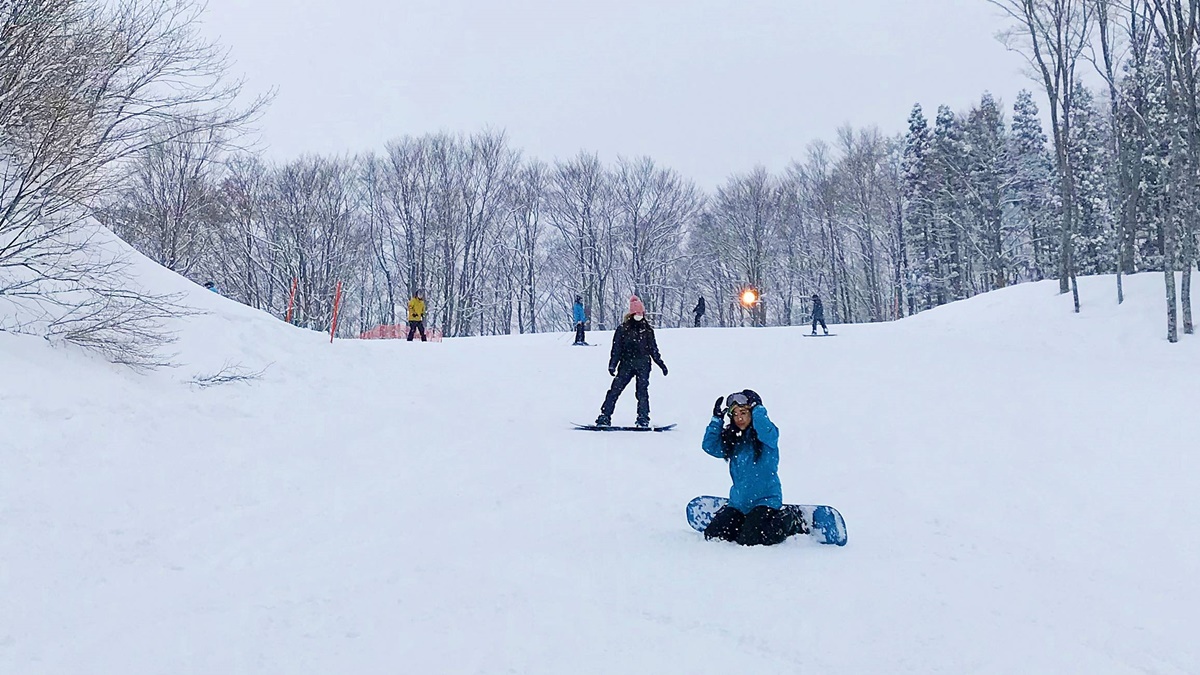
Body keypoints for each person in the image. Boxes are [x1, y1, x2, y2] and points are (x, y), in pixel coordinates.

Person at [701, 390, 803, 546]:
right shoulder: (733, 440)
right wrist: (716, 420)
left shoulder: (767, 437)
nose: (739, 418)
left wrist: (758, 409)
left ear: (752, 412)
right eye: (734, 414)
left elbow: (766, 430)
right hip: (739, 504)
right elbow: (709, 446)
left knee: (750, 539)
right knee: (713, 535)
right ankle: (740, 522)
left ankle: (791, 520)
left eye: (743, 412)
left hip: (766, 501)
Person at [595, 295, 668, 428]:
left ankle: (643, 418)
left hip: (643, 365)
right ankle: (605, 416)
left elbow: (653, 349)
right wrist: (612, 365)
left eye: (641, 313)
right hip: (626, 365)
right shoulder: (622, 329)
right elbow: (616, 349)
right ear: (631, 314)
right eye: (637, 313)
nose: (639, 315)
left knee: (642, 392)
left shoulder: (647, 330)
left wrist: (661, 364)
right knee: (615, 390)